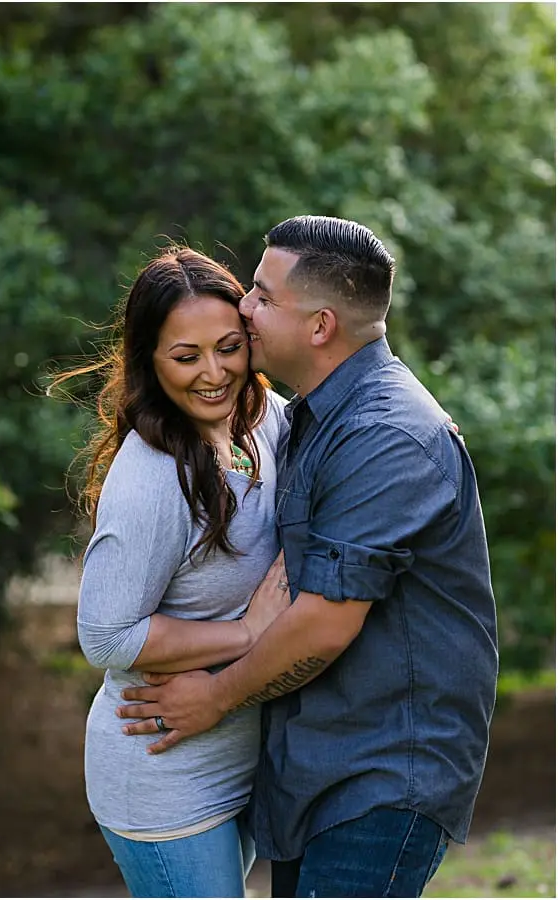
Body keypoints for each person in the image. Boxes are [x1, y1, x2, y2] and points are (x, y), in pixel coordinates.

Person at [117, 216, 499, 898]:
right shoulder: (311, 417)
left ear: (320, 326)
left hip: (383, 774)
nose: (245, 307)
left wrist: (212, 697)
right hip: (320, 765)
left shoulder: (386, 436)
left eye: (262, 295)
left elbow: (325, 622)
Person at [56, 247, 291, 897]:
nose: (214, 374)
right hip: (163, 773)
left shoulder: (263, 416)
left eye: (228, 347)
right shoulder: (154, 476)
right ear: (150, 363)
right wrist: (248, 636)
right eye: (186, 357)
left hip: (239, 750)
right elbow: (106, 636)